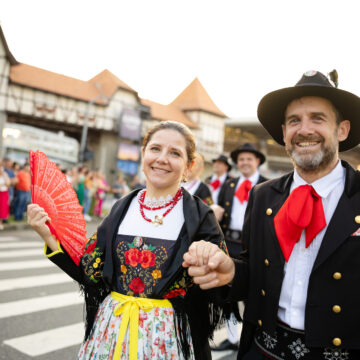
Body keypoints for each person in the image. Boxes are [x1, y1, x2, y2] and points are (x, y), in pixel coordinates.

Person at [183, 70, 360, 359]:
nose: (304, 129)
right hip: (263, 349)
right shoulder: (263, 194)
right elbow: (255, 272)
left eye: (318, 118)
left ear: (342, 130)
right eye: (294, 121)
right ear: (283, 133)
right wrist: (230, 272)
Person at [27, 120, 228, 360]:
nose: (162, 158)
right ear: (143, 154)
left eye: (175, 153)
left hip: (168, 340)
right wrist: (47, 235)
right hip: (112, 332)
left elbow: (222, 284)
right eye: (155, 149)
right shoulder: (122, 208)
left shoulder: (200, 215)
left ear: (189, 165)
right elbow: (90, 272)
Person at [210, 143, 267, 352]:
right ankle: (233, 337)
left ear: (257, 161)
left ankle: (253, 338)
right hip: (229, 243)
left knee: (255, 293)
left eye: (249, 159)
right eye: (241, 159)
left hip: (254, 246)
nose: (244, 163)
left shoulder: (268, 185)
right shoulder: (229, 184)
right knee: (227, 294)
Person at [0, 162, 11, 230]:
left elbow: (8, 184)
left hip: (4, 193)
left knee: (3, 207)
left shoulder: (5, 175)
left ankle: (1, 222)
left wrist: (4, 175)